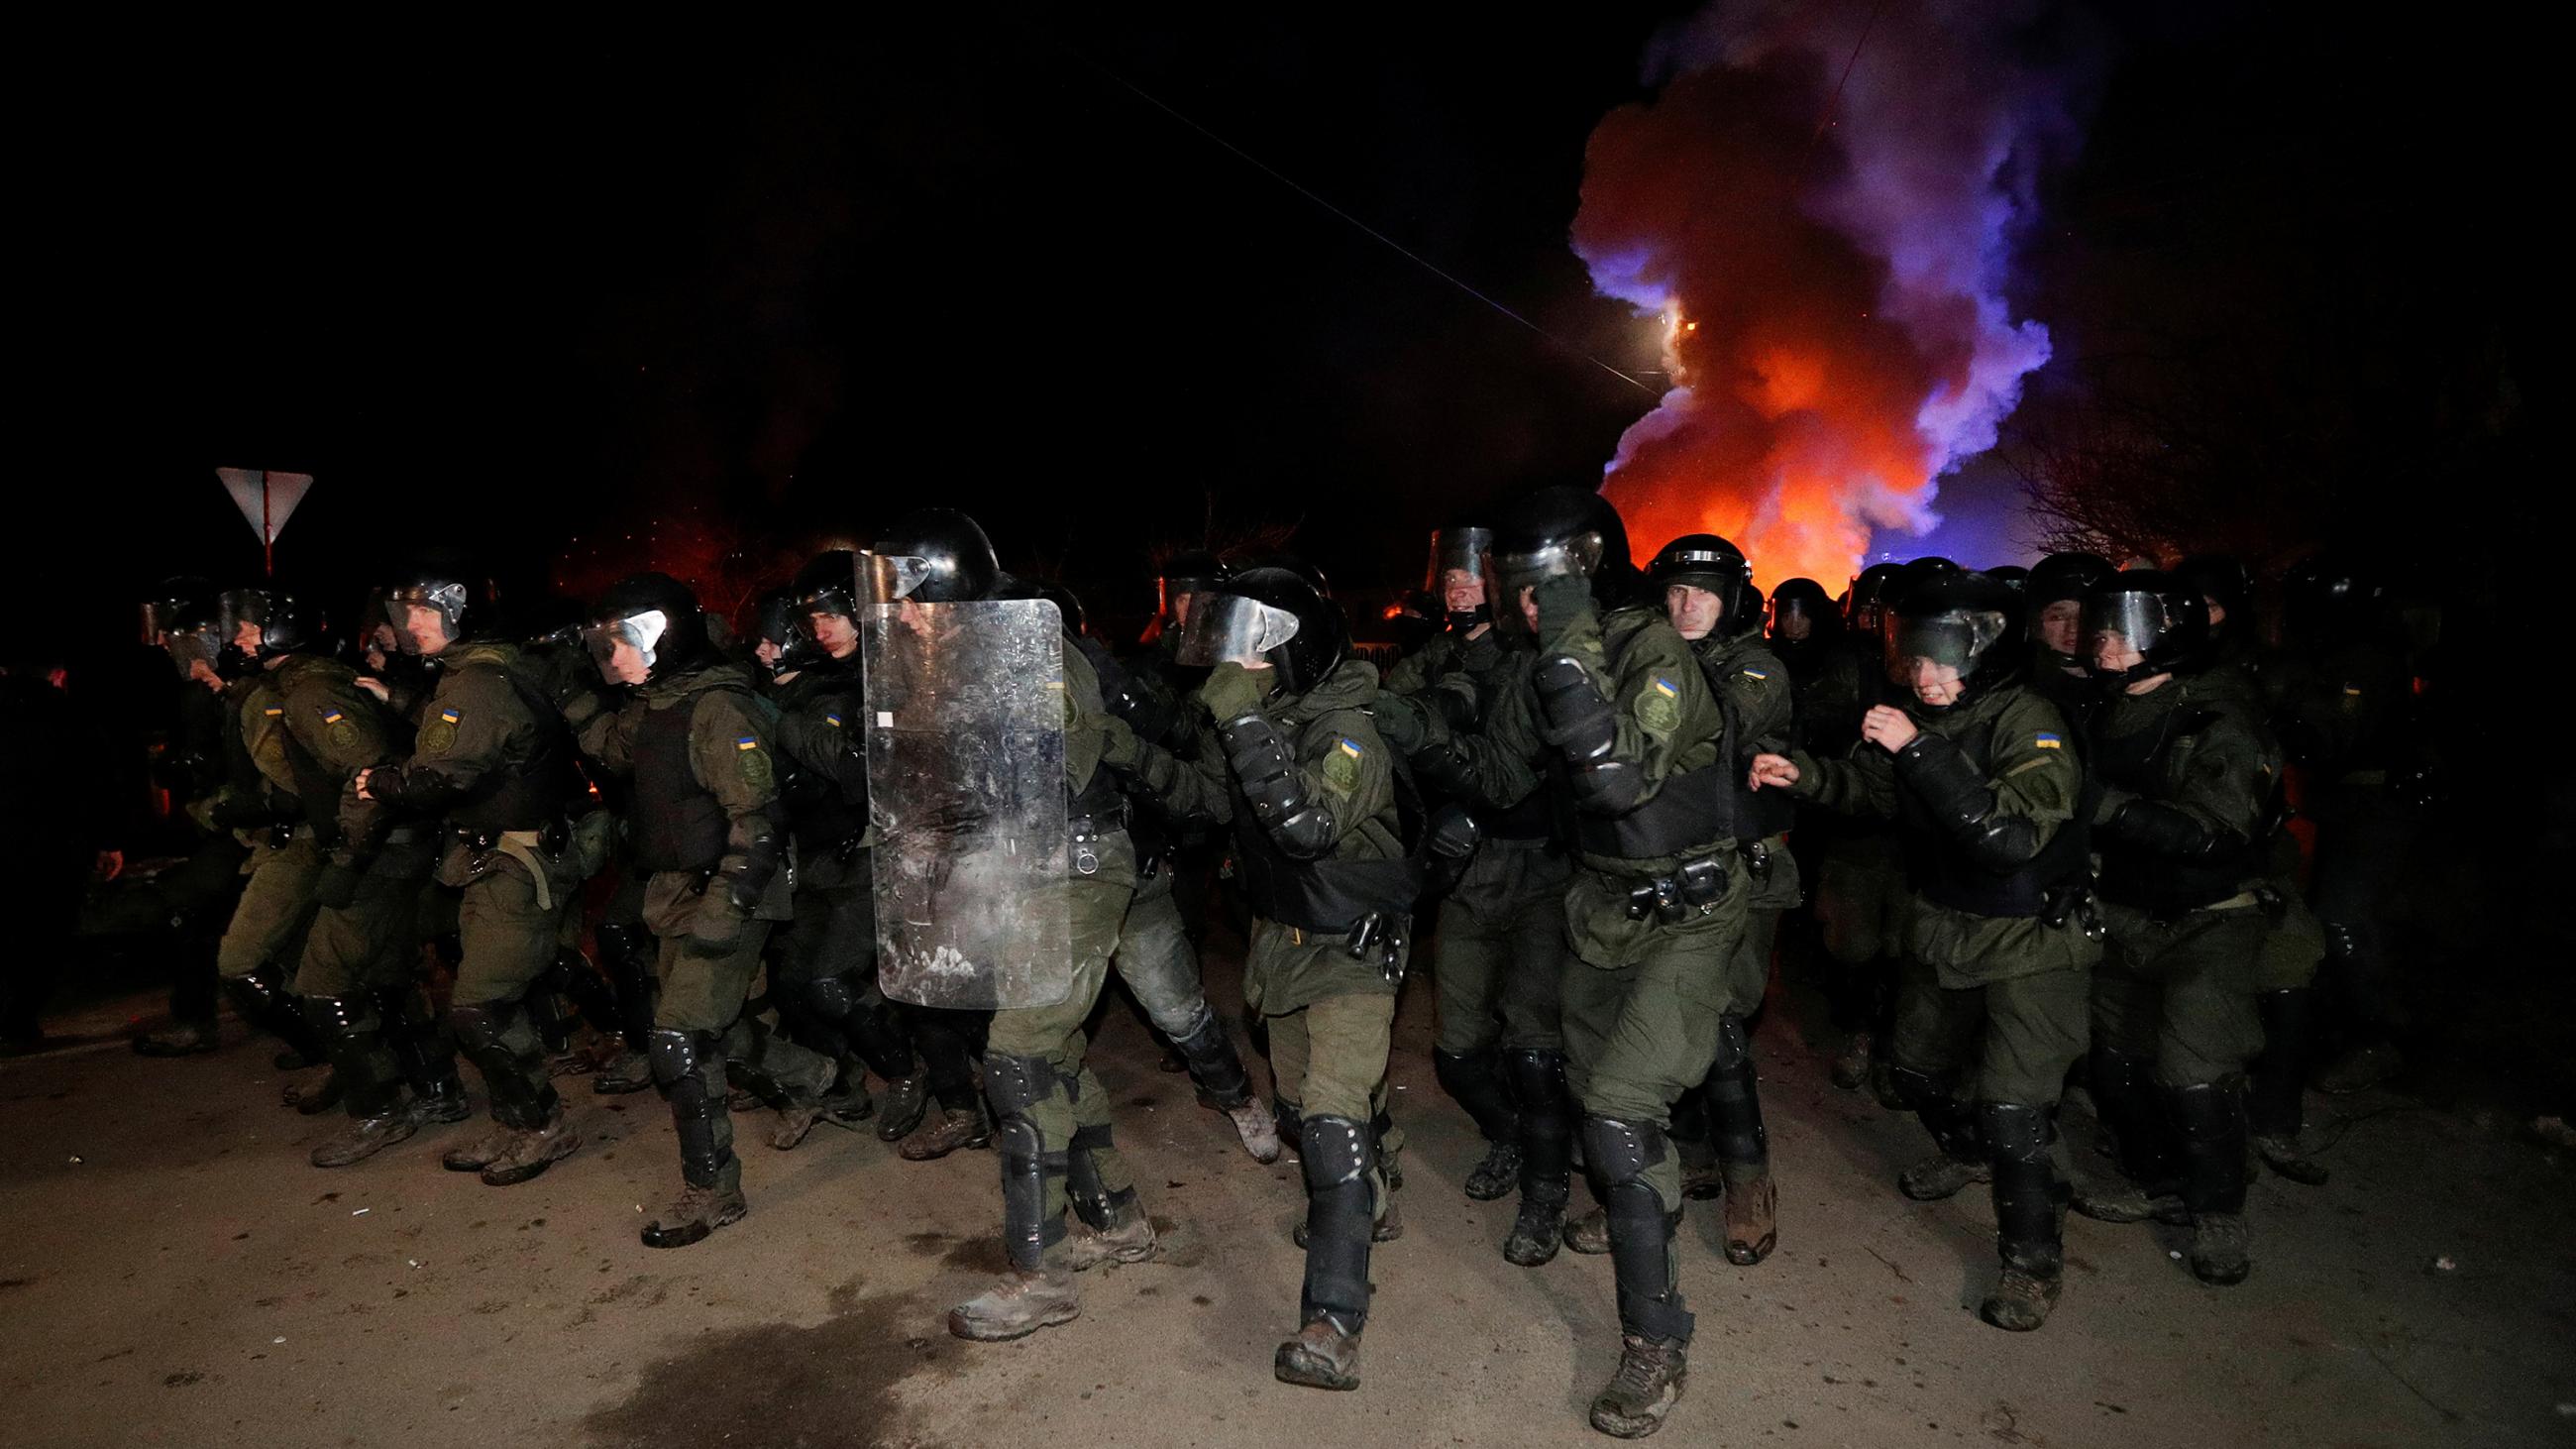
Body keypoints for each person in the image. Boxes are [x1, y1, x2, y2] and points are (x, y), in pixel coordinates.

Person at [1752, 569, 2097, 1333]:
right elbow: (1872, 793)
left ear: (1991, 651)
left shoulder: (2029, 719)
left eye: (1945, 659)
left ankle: (2031, 1261)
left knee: (2015, 1105)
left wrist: (1919, 751)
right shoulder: (1915, 715)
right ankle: (1972, 1150)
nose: (1926, 676)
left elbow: (2010, 836)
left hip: (2030, 935)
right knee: (1911, 1072)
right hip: (1946, 922)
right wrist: (1803, 774)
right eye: (1915, 658)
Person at [1475, 486, 1752, 1438]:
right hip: (1600, 906)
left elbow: (1617, 774)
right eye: (1513, 583)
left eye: (1537, 583)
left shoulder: (1651, 648)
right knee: (1598, 1095)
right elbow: (1504, 781)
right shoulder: (1534, 660)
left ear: (1583, 573)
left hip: (1691, 910)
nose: (1519, 601)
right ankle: (1647, 1201)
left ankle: (1654, 1343)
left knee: (1622, 1113)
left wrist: (1564, 649)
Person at [1156, 566, 1424, 1390]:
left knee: (1334, 1126)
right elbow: (1205, 802)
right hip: (1282, 946)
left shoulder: (1350, 731)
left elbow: (1306, 824)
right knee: (1307, 1112)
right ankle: (1375, 1181)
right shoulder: (1264, 718)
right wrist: (1124, 738)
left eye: (1246, 650)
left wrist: (1237, 716)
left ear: (1290, 651)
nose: (1229, 669)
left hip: (1350, 948)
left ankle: (1331, 1324)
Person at [575, 572, 837, 1246]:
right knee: (708, 1024)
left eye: (621, 640)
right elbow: (612, 750)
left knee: (680, 1038)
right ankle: (811, 1074)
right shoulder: (657, 703)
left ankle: (712, 1190)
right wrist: (564, 695)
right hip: (676, 889)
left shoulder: (719, 709)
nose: (612, 656)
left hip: (726, 888)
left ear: (665, 635)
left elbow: (758, 820)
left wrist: (729, 906)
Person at [352, 565, 593, 1186]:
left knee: (480, 1009)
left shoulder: (477, 682)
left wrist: (379, 782)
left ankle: (542, 1125)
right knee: (482, 1003)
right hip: (493, 858)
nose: (415, 625)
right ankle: (519, 1121)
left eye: (430, 612)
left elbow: (439, 775)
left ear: (465, 615)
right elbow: (470, 741)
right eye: (409, 613)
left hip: (516, 863)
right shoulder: (479, 673)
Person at [2072, 570, 2276, 1285]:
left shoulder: (2215, 719)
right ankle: (2155, 1178)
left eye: (2120, 632)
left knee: (2195, 1072)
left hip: (2207, 922)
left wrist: (2105, 809)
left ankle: (2219, 1213)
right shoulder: (2101, 710)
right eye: (2101, 628)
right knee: (2118, 1062)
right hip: (2123, 915)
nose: (2102, 643)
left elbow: (2220, 832)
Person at [758, 552, 943, 1153]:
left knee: (833, 981)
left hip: (874, 852)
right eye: (814, 621)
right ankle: (839, 1085)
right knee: (793, 983)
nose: (824, 629)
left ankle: (904, 1071)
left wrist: (781, 718)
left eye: (835, 615)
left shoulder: (883, 674)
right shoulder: (817, 683)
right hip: (818, 855)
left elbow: (854, 769)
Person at [1647, 534, 1789, 1268]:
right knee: (1662, 1018)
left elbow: (1720, 729)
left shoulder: (1756, 668)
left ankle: (1749, 1185)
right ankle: (1691, 1154)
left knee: (1724, 1027)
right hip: (1671, 864)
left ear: (1733, 601)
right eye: (1674, 593)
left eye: (1703, 592)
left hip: (1743, 871)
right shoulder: (1658, 662)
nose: (1687, 605)